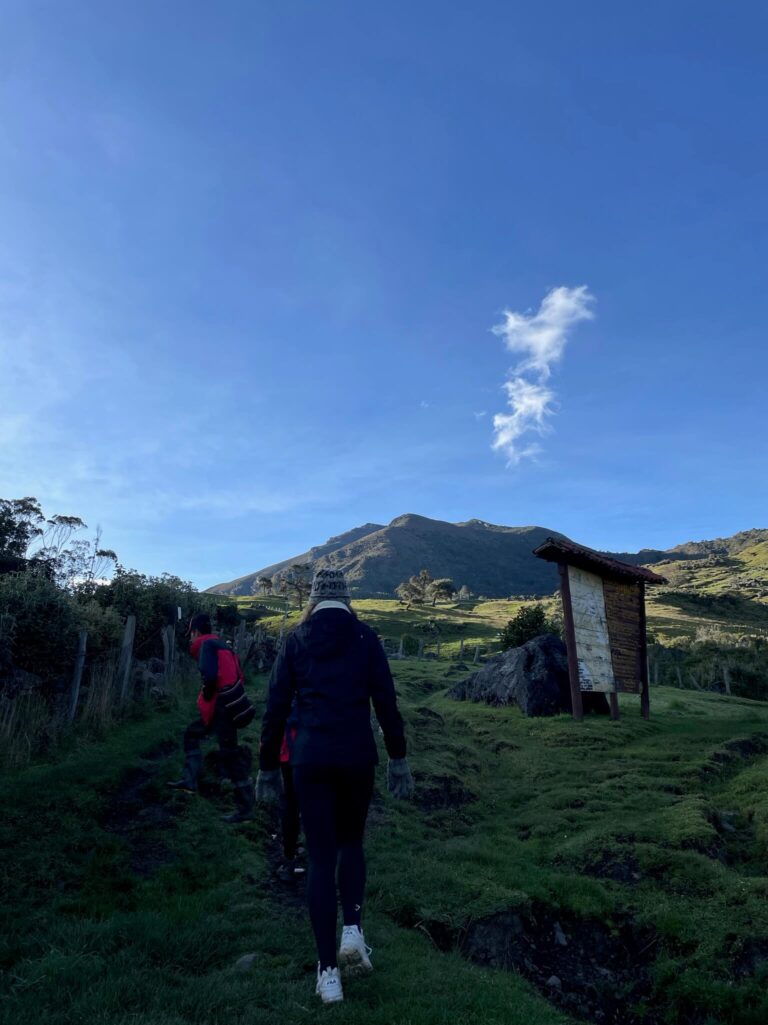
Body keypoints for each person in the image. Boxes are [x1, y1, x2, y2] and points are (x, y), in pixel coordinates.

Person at [256, 568, 414, 1005]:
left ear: (312, 599)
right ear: (346, 599)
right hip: (356, 758)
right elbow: (386, 701)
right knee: (351, 844)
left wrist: (268, 765)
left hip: (309, 760)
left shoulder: (295, 640)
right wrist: (398, 757)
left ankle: (327, 974)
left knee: (321, 858)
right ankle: (353, 931)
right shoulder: (365, 638)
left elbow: (275, 706)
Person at [167, 612, 257, 824]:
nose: (190, 638)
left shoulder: (206, 646)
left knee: (229, 754)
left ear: (196, 632)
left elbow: (209, 675)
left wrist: (207, 695)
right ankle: (189, 781)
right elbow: (238, 674)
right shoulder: (222, 644)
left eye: (191, 633)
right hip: (231, 703)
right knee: (194, 734)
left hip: (221, 706)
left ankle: (245, 808)